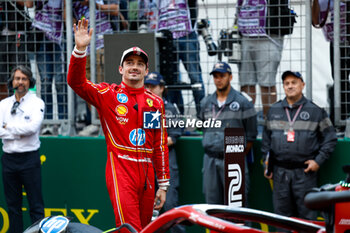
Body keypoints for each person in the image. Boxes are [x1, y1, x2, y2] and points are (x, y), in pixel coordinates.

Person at [67, 18, 170, 232]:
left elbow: (159, 146)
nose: (135, 67)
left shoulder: (156, 102)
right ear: (120, 68)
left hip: (148, 173)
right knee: (129, 229)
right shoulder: (108, 95)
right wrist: (80, 49)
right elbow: (76, 82)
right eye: (130, 63)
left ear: (146, 69)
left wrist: (164, 185)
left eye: (139, 64)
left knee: (146, 229)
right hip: (121, 169)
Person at [261, 71, 337, 220]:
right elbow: (266, 142)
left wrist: (318, 161)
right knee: (282, 219)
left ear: (302, 85)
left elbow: (330, 138)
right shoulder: (273, 110)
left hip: (305, 174)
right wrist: (266, 163)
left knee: (307, 218)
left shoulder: (316, 111)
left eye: (294, 82)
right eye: (286, 83)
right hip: (279, 174)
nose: (290, 86)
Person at [198, 61, 257, 204]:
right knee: (212, 205)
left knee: (237, 206)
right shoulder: (206, 103)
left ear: (230, 77)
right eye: (216, 76)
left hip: (234, 159)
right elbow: (203, 127)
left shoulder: (243, 102)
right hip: (210, 159)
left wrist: (236, 154)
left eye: (222, 76)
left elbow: (251, 135)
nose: (218, 80)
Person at [0, 65, 45, 233]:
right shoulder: (3, 104)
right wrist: (18, 130)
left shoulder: (37, 102)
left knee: (36, 206)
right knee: (13, 207)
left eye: (24, 79)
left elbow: (32, 128)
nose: (20, 82)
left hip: (29, 160)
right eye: (17, 79)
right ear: (12, 81)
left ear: (30, 82)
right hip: (9, 160)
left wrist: (7, 128)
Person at [236, 0, 295, 117]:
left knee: (267, 83)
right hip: (245, 35)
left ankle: (270, 121)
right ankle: (248, 121)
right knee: (246, 82)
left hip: (269, 36)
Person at [144, 72, 186, 233]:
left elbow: (174, 136)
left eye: (153, 86)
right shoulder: (142, 106)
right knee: (147, 209)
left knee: (170, 206)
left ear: (162, 88)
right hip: (146, 162)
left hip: (166, 160)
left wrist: (155, 145)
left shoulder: (169, 108)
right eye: (147, 86)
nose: (150, 89)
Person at [157, 0, 205, 115]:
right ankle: (177, 118)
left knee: (195, 78)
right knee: (170, 80)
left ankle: (203, 118)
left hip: (186, 35)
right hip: (166, 38)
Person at [29, 0, 67, 134]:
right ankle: (48, 123)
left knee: (60, 82)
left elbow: (66, 17)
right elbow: (29, 4)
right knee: (45, 82)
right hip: (41, 37)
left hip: (61, 38)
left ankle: (64, 122)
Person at [311, 0, 350, 124]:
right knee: (339, 81)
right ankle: (341, 118)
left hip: (344, 41)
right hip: (337, 44)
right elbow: (315, 21)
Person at [0, 1, 32, 100]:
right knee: (1, 78)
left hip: (17, 33)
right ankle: (4, 109)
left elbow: (29, 3)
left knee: (20, 73)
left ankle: (21, 105)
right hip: (1, 36)